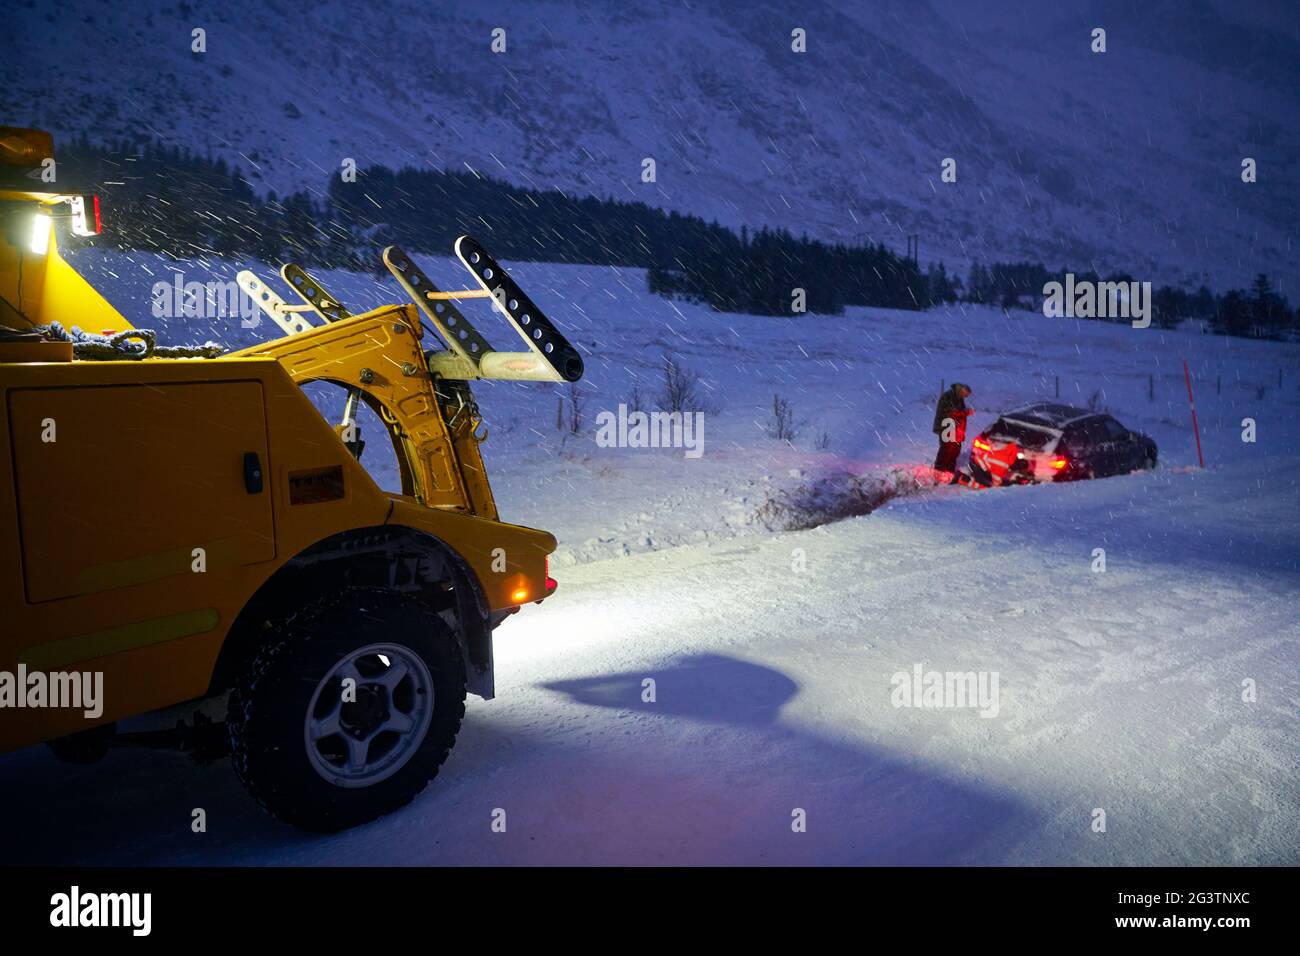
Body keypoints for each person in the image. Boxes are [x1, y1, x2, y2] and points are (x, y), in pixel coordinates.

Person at [932, 382, 973, 483]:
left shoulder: (958, 398)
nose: (965, 397)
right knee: (946, 449)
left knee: (955, 449)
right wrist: (966, 412)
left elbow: (958, 412)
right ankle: (939, 471)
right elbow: (952, 412)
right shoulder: (948, 396)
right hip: (947, 427)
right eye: (965, 395)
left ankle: (949, 471)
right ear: (962, 390)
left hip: (956, 429)